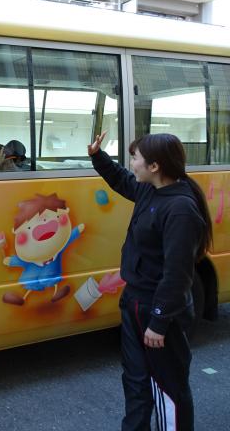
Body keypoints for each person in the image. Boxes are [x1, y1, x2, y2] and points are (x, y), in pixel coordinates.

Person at [88, 132, 212, 431]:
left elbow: (178, 273)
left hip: (159, 309)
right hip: (134, 300)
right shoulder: (149, 190)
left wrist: (159, 320)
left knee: (168, 387)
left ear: (154, 166)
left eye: (135, 158)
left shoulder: (180, 208)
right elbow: (121, 180)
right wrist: (97, 156)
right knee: (135, 380)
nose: (131, 163)